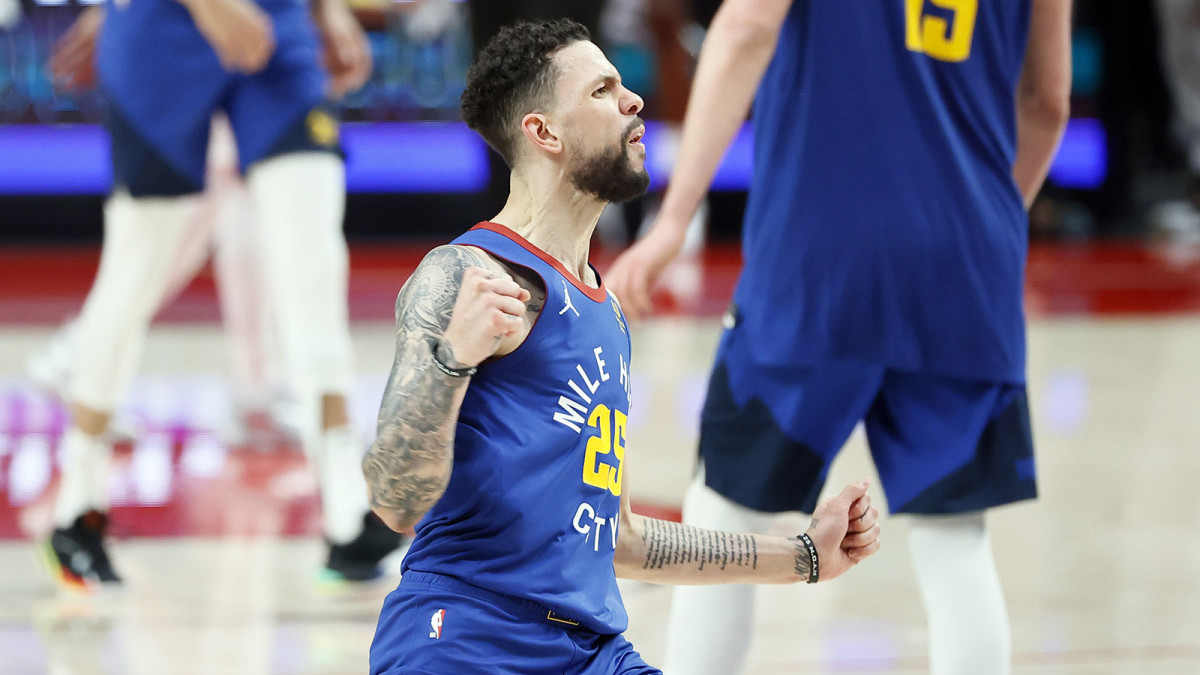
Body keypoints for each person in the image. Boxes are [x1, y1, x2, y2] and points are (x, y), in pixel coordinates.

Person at [362, 20, 881, 674]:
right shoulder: (466, 273)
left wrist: (803, 557)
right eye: (602, 91)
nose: (633, 99)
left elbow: (621, 537)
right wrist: (449, 363)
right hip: (465, 638)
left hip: (592, 649)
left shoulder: (605, 309)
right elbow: (394, 500)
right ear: (544, 132)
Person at [604, 1, 1072, 673]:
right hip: (964, 266)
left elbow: (746, 29)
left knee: (726, 514)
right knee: (955, 538)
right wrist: (977, 228)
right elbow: (1047, 100)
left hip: (817, 256)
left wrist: (675, 218)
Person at [42, 0, 402, 590]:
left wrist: (327, 9)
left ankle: (347, 512)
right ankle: (75, 509)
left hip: (275, 25)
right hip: (166, 29)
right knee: (137, 264)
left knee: (312, 259)